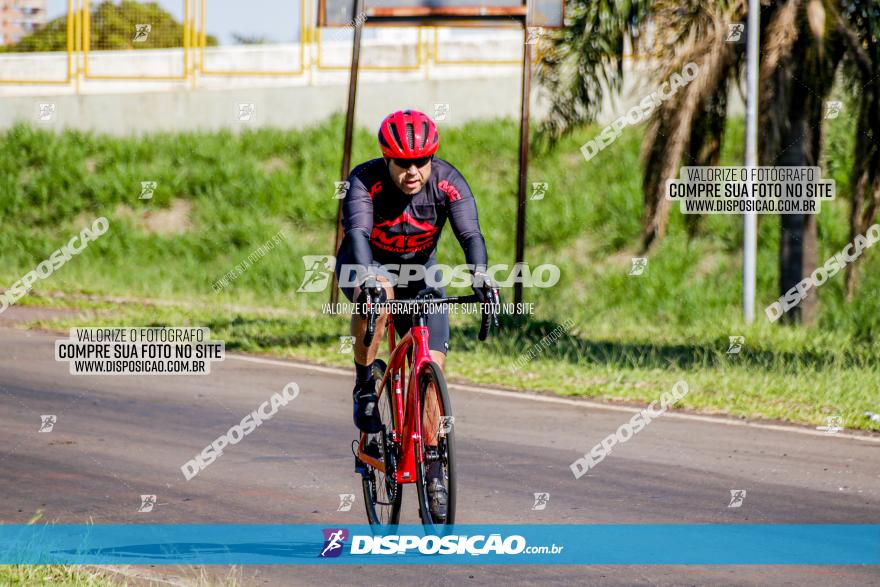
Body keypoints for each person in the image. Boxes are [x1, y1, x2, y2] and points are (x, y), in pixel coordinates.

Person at [335, 109, 497, 519]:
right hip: (367, 263)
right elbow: (355, 234)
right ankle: (365, 386)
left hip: (421, 271)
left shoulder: (447, 182)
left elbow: (470, 234)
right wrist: (370, 277)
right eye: (403, 163)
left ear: (432, 158)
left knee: (432, 368)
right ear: (386, 159)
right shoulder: (363, 181)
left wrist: (480, 274)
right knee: (377, 297)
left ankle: (434, 467)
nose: (412, 171)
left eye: (420, 161)